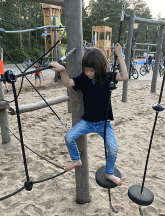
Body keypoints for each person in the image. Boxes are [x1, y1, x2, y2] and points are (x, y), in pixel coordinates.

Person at [50, 43, 128, 186]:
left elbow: (124, 76)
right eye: (85, 70)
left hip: (104, 123)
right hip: (87, 122)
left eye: (91, 71)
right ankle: (76, 159)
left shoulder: (107, 77)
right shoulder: (84, 78)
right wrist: (62, 70)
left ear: (99, 69)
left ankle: (109, 173)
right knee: (68, 137)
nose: (88, 73)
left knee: (113, 149)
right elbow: (68, 83)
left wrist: (119, 55)